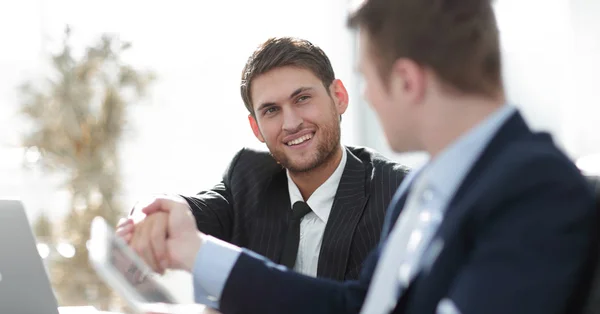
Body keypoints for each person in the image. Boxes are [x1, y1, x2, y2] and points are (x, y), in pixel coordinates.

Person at [131, 0, 599, 313]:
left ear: (407, 81)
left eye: (367, 78)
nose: (367, 97)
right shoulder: (425, 188)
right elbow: (354, 306)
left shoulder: (538, 186)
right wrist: (195, 252)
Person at [117, 37, 409, 281]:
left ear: (339, 96)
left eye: (302, 98)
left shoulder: (397, 193)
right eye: (271, 110)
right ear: (256, 127)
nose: (291, 123)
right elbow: (192, 210)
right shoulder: (249, 177)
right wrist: (152, 213)